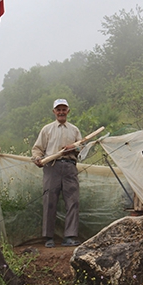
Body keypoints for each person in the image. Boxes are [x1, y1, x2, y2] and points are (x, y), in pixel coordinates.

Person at [32, 98, 82, 248]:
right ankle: (48, 237)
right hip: (51, 167)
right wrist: (37, 158)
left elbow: (82, 149)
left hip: (69, 167)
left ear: (68, 111)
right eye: (58, 109)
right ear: (54, 112)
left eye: (63, 109)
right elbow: (37, 149)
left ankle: (70, 236)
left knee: (73, 201)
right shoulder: (47, 129)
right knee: (50, 201)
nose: (61, 112)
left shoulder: (74, 130)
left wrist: (73, 148)